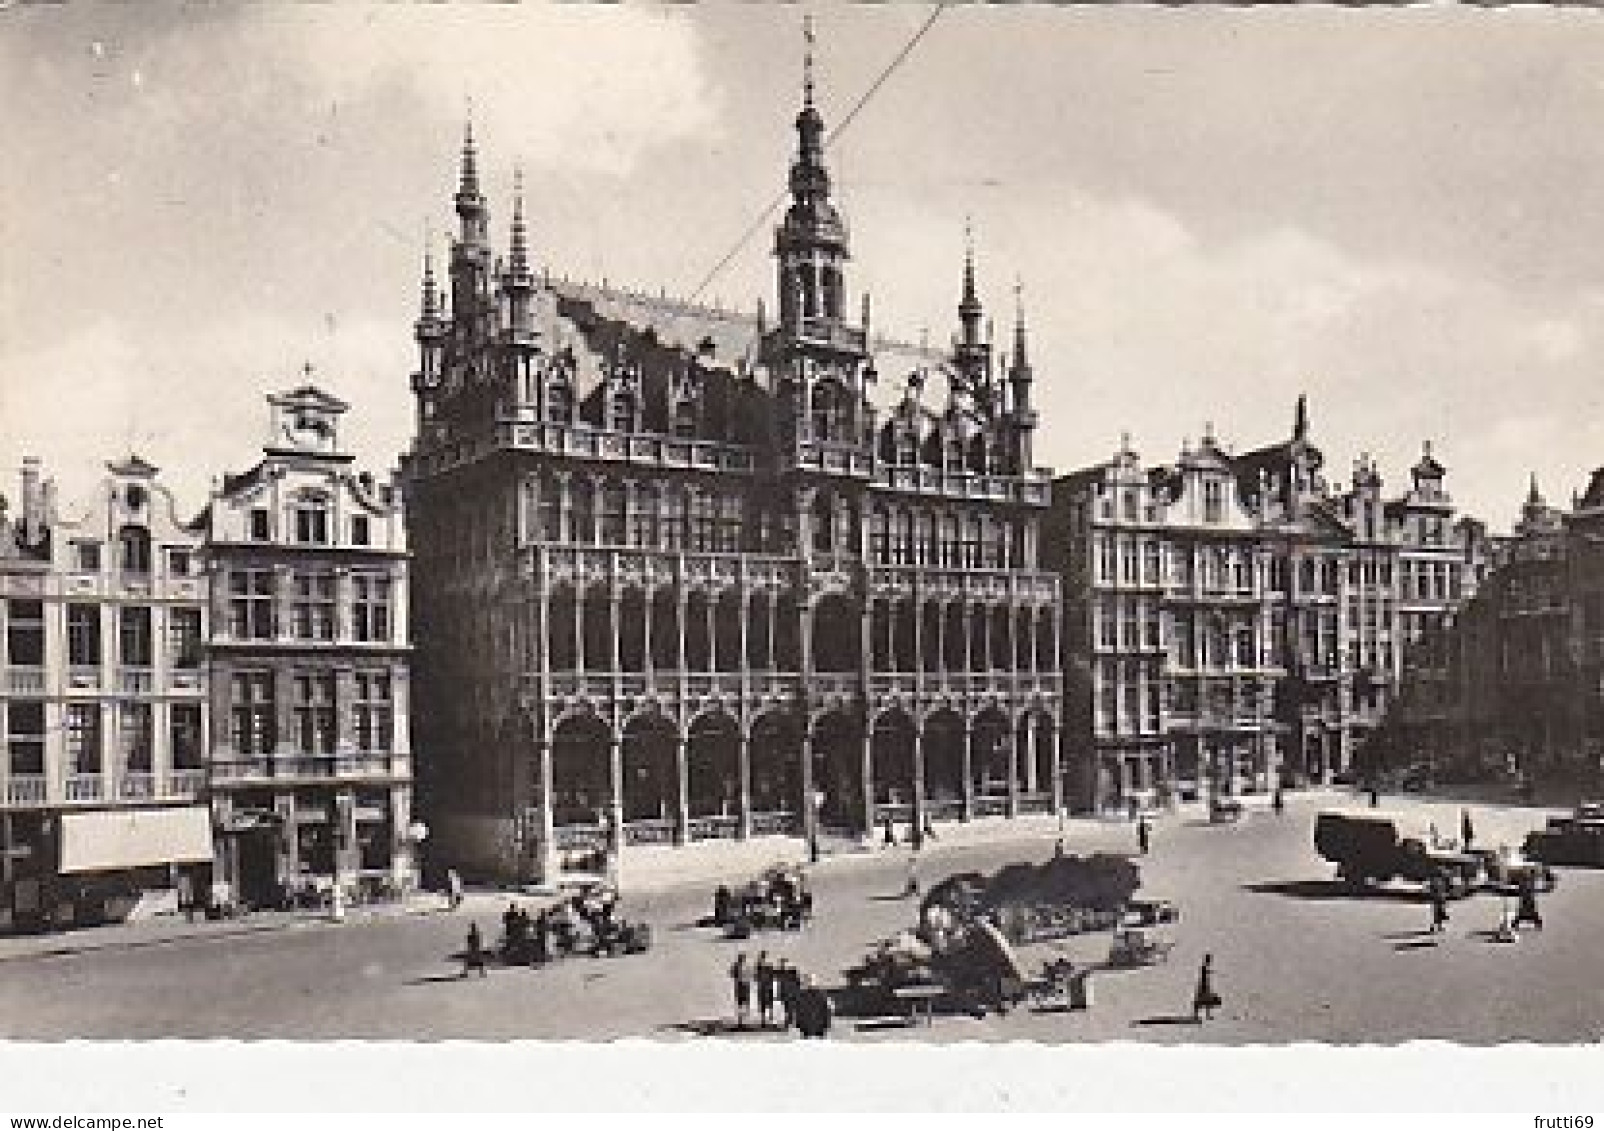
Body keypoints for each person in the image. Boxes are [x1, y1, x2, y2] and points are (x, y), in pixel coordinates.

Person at [794, 974, 832, 1039]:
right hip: (808, 1029)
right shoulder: (802, 996)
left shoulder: (822, 996)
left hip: (817, 1029)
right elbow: (799, 1012)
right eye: (809, 980)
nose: (811, 982)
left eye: (812, 980)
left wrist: (826, 1025)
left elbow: (826, 1012)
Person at [1192, 953, 1221, 1022]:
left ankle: (1199, 1015)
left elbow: (1204, 976)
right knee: (1203, 1001)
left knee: (1203, 1001)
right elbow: (1203, 977)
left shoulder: (1205, 967)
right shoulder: (1204, 967)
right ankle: (1197, 1015)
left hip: (1204, 985)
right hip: (1203, 985)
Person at [729, 952, 753, 1029]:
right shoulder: (738, 966)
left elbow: (751, 975)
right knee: (741, 1003)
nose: (742, 959)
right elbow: (731, 974)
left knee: (744, 1003)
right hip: (741, 985)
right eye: (741, 958)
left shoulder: (744, 966)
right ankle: (741, 1021)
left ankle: (743, 1020)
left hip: (743, 985)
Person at [776, 959, 802, 1029]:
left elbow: (781, 985)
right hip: (790, 996)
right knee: (790, 1010)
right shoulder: (792, 978)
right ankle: (789, 1022)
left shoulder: (786, 977)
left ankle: (789, 1022)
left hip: (788, 996)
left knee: (789, 1010)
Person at [755, 951, 776, 1028]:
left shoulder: (761, 966)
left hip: (765, 986)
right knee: (766, 1003)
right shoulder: (762, 966)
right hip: (765, 986)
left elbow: (756, 977)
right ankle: (766, 1020)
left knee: (766, 1003)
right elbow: (757, 977)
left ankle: (766, 1019)